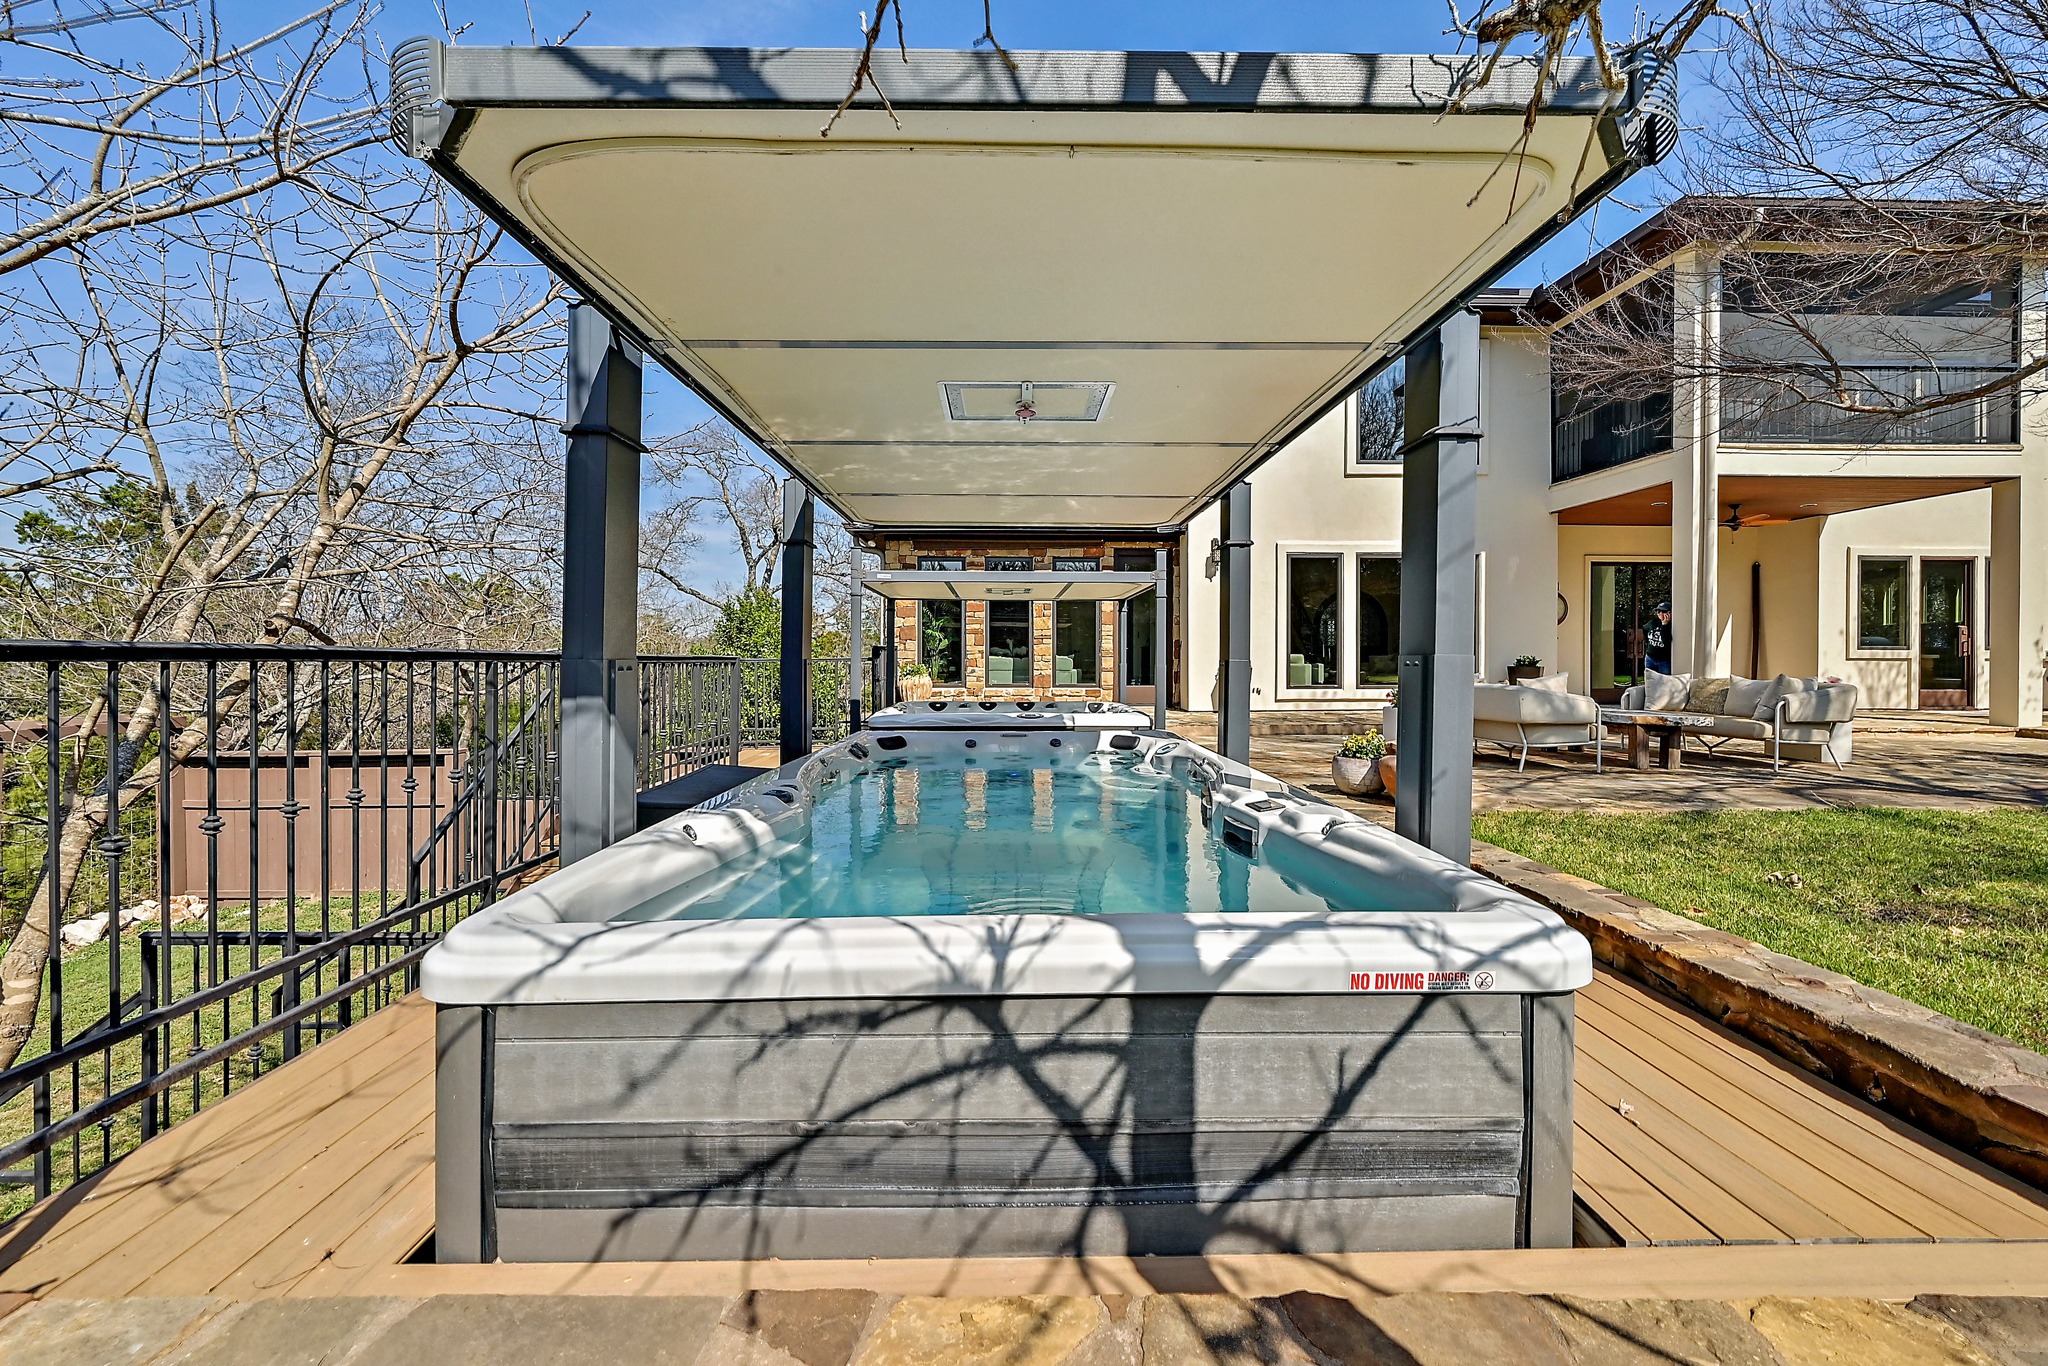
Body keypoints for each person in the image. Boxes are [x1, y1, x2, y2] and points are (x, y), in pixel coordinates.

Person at [1642, 601, 1673, 676]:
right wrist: (1648, 643)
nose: (1659, 613)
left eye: (1662, 611)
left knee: (1665, 681)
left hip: (1664, 661)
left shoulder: (1672, 626)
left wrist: (1664, 624)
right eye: (1658, 611)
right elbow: (1644, 629)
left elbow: (1667, 641)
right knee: (1650, 680)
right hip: (1650, 658)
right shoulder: (1653, 623)